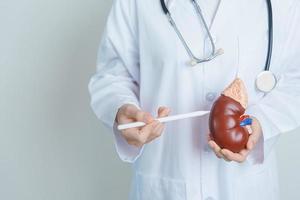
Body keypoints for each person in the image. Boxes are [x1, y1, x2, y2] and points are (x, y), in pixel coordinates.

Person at [89, 0, 300, 199]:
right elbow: (112, 76)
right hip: (167, 180)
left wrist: (261, 122)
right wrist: (122, 108)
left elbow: (295, 78)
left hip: (246, 187)